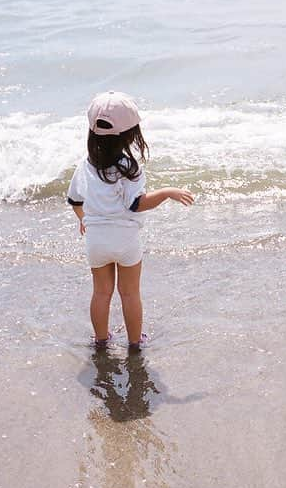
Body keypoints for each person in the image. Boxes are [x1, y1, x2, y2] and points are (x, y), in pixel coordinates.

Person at [67, 92, 194, 350]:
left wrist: (83, 220)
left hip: (96, 242)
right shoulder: (129, 166)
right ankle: (135, 343)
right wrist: (167, 192)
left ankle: (101, 339)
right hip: (126, 240)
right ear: (129, 133)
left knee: (101, 293)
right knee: (130, 293)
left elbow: (74, 201)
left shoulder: (85, 165)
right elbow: (136, 204)